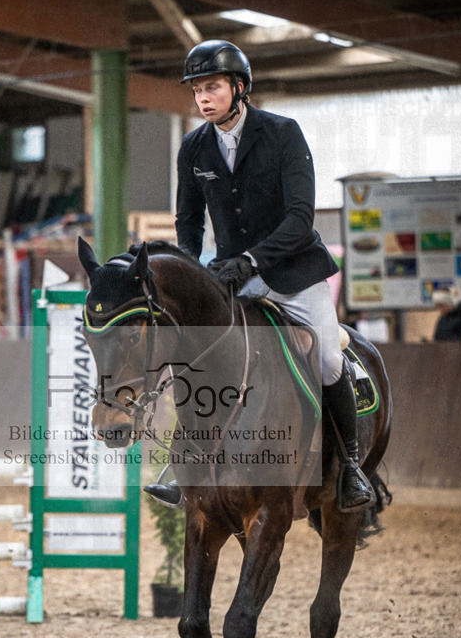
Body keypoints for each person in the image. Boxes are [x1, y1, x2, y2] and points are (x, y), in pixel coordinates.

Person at [145, 39, 375, 513]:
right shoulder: (193, 148)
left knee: (328, 358)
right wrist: (190, 269)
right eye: (196, 90)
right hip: (232, 278)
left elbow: (300, 218)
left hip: (294, 272)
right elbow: (188, 221)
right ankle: (183, 463)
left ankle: (350, 466)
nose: (203, 98)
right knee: (199, 358)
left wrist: (251, 259)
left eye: (212, 87)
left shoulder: (282, 133)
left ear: (239, 87)